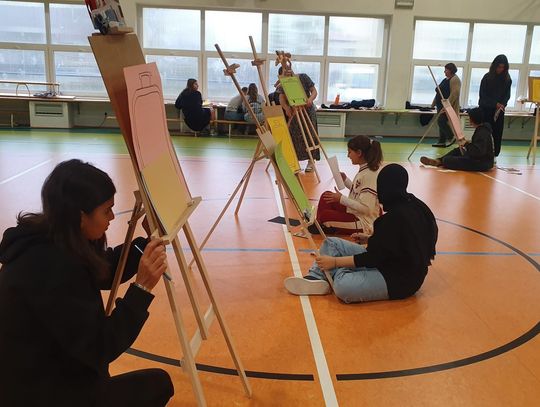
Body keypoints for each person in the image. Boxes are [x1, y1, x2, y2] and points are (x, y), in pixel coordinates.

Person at [0, 160, 174, 407]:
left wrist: (145, 245)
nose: (112, 217)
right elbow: (101, 347)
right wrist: (142, 289)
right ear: (81, 216)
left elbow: (104, 268)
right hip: (40, 393)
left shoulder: (54, 237)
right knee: (159, 385)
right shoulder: (53, 270)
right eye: (106, 211)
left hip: (46, 374)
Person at [285, 164, 438, 304]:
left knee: (343, 286)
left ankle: (331, 274)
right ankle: (316, 278)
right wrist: (372, 238)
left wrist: (335, 262)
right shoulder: (417, 205)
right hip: (392, 263)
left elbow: (372, 258)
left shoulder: (394, 218)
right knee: (331, 243)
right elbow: (401, 241)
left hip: (399, 280)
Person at [308, 135, 383, 236]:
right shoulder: (365, 170)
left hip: (363, 223)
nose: (348, 155)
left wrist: (341, 199)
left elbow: (366, 209)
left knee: (325, 215)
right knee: (326, 196)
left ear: (359, 153)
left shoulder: (369, 174)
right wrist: (346, 180)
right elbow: (359, 191)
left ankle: (325, 225)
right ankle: (323, 225)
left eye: (350, 152)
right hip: (356, 213)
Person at [420, 107, 494, 171]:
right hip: (480, 159)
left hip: (482, 163)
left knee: (448, 160)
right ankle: (438, 161)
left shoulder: (482, 133)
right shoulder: (482, 130)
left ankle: (442, 161)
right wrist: (466, 145)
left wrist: (466, 144)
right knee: (459, 150)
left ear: (472, 119)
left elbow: (478, 152)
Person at [276, 66, 320, 172]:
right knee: (293, 136)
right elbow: (281, 98)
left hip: (308, 110)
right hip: (294, 111)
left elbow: (314, 91)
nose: (287, 74)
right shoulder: (283, 82)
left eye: (288, 71)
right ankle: (294, 162)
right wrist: (286, 108)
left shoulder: (303, 77)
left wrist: (310, 100)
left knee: (310, 135)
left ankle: (311, 161)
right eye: (284, 74)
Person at [479, 54, 512, 157]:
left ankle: (495, 153)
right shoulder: (487, 77)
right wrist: (494, 104)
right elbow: (483, 96)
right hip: (486, 110)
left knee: (497, 133)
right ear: (494, 66)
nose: (500, 69)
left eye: (503, 67)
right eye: (499, 67)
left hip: (499, 111)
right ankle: (483, 152)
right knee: (485, 132)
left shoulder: (507, 79)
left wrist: (503, 104)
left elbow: (507, 95)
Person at [431, 63, 461, 147]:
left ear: (451, 70)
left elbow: (455, 93)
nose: (444, 71)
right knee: (441, 121)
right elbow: (439, 92)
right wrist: (433, 104)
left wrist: (447, 105)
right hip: (440, 105)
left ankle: (451, 136)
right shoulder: (445, 80)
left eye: (446, 70)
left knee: (441, 121)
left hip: (447, 106)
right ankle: (441, 141)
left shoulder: (455, 79)